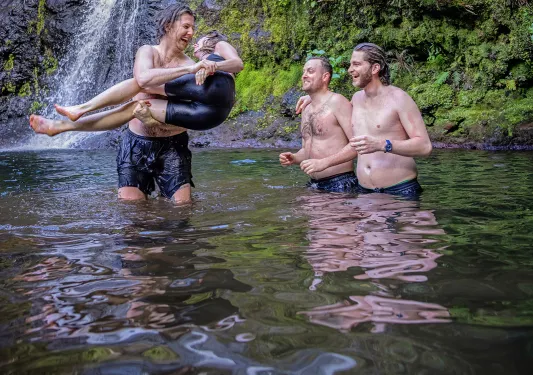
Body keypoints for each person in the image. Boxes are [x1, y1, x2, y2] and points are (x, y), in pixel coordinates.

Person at [30, 4, 242, 204]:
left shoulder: (191, 65)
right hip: (136, 145)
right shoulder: (148, 52)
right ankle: (71, 117)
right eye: (186, 27)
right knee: (132, 212)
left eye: (193, 29)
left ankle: (73, 116)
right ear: (168, 25)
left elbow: (187, 116)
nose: (191, 34)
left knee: (180, 211)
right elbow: (142, 79)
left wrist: (153, 120)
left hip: (172, 146)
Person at [297, 43, 432, 198]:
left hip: (400, 190)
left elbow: (424, 146)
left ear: (375, 68)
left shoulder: (399, 98)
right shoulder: (356, 99)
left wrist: (382, 144)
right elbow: (330, 104)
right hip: (364, 193)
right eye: (350, 64)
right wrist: (313, 97)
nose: (350, 70)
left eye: (356, 64)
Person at [279, 57, 358, 193]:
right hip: (315, 184)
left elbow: (358, 145)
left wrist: (324, 162)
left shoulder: (337, 102)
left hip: (340, 182)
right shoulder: (306, 109)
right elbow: (307, 149)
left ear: (325, 77)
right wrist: (294, 158)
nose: (304, 75)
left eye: (310, 71)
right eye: (304, 72)